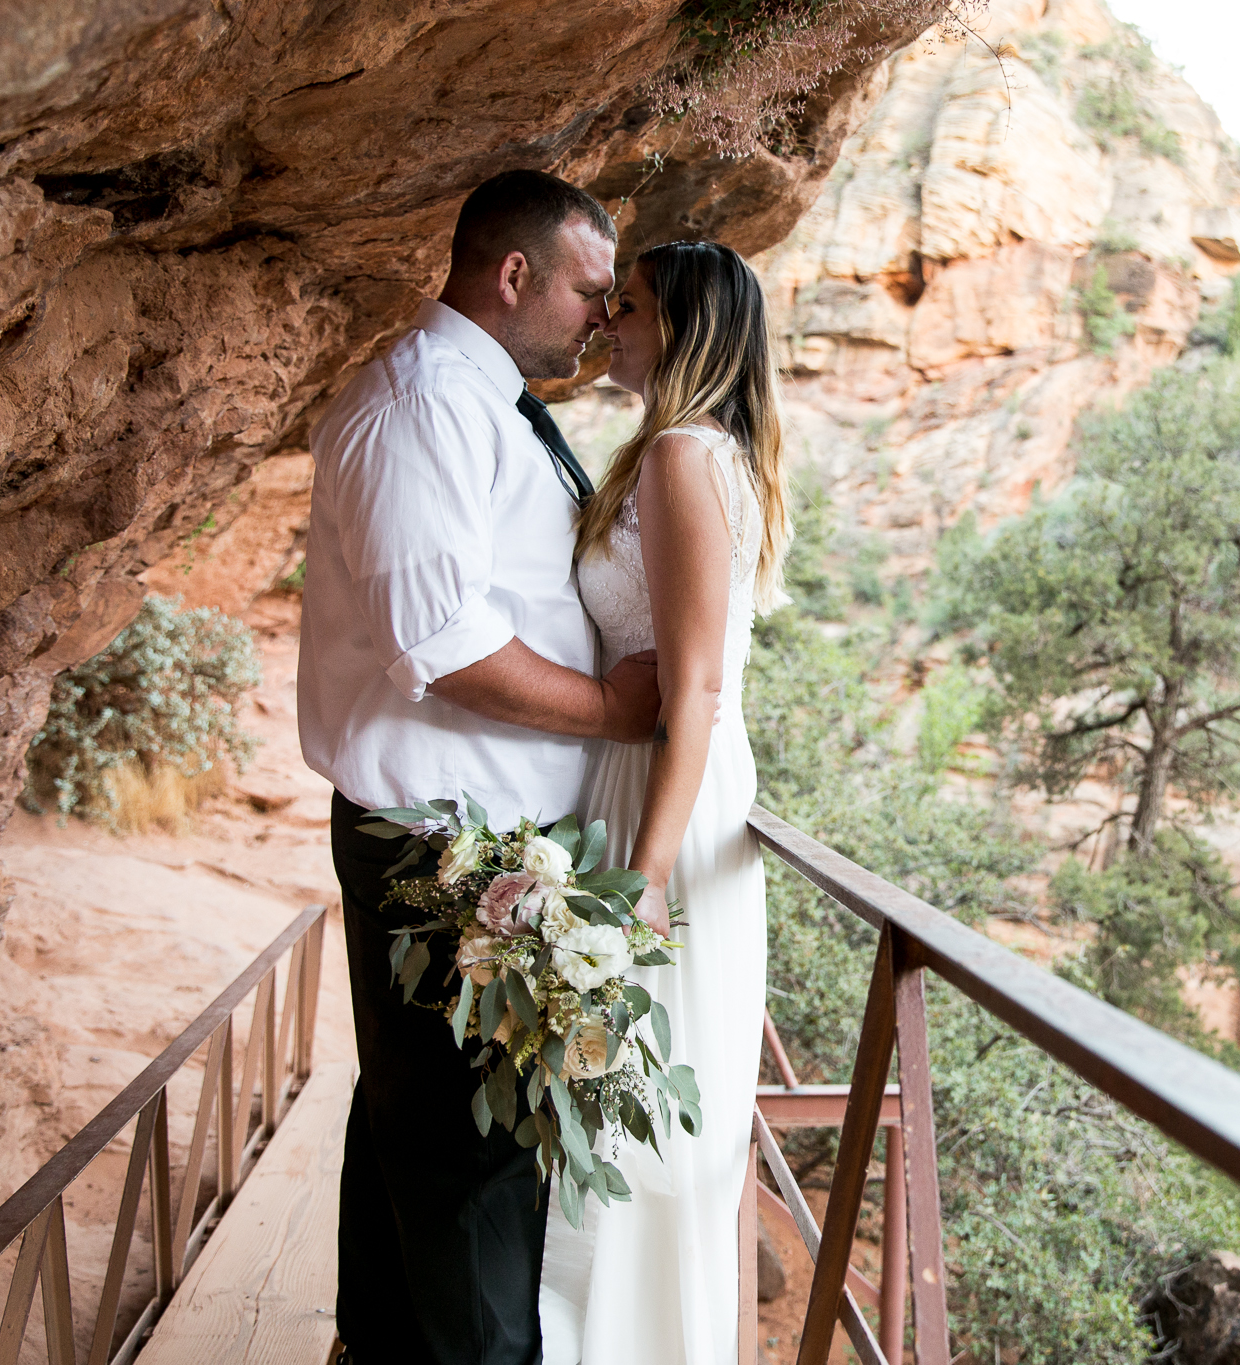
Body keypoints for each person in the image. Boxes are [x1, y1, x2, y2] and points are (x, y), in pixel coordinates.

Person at [298, 168, 665, 1365]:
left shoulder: (483, 397)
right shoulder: (423, 403)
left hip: (480, 836)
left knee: (422, 1123)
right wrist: (614, 714)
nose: (600, 319)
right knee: (473, 1158)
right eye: (587, 291)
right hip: (439, 842)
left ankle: (379, 1349)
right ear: (513, 275)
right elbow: (439, 641)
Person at [536, 241, 788, 1365]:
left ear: (682, 330)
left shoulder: (684, 455)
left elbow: (692, 685)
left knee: (635, 1109)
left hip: (665, 801)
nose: (604, 320)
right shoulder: (683, 449)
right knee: (608, 1099)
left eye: (625, 306)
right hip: (641, 779)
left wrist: (639, 876)